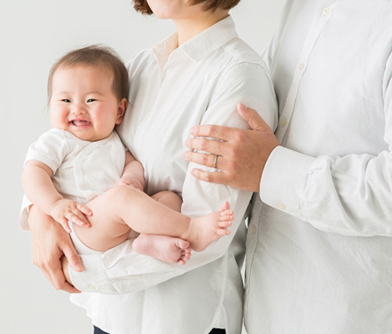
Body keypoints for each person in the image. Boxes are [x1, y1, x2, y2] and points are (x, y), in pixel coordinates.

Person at [24, 0, 277, 333]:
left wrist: (77, 265)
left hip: (178, 318)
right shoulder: (143, 66)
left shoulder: (237, 76)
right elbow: (74, 148)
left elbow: (208, 232)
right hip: (113, 315)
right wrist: (40, 216)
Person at [184, 0, 392, 333]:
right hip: (261, 311)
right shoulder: (304, 5)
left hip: (346, 319)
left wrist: (271, 170)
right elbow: (252, 134)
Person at [21, 45, 234, 267]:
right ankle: (192, 229)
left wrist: (132, 179)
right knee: (122, 198)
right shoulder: (58, 140)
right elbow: (32, 174)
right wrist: (55, 205)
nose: (77, 109)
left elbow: (132, 164)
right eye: (65, 101)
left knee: (169, 199)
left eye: (91, 100)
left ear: (119, 111)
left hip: (116, 224)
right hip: (82, 225)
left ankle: (151, 240)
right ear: (50, 105)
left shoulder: (114, 141)